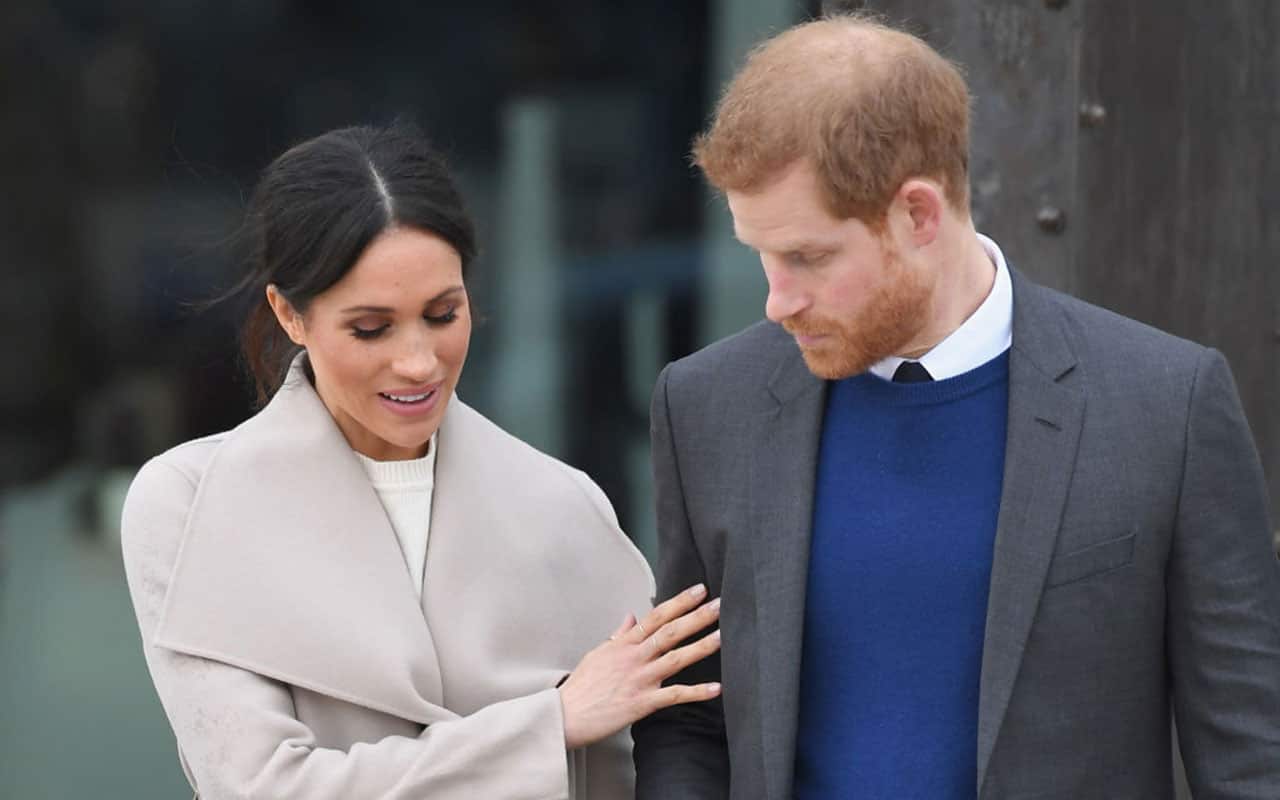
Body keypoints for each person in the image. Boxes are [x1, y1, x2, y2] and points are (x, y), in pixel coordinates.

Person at [632, 13, 1280, 800]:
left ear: (918, 214)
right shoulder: (706, 407)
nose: (777, 300)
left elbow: (1250, 753)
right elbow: (689, 722)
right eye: (761, 255)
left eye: (807, 257)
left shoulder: (1165, 405)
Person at [120, 122, 722, 800]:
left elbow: (639, 764)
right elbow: (260, 789)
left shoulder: (564, 508)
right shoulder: (190, 504)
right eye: (370, 328)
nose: (418, 361)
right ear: (289, 315)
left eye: (442, 314)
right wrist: (548, 726)